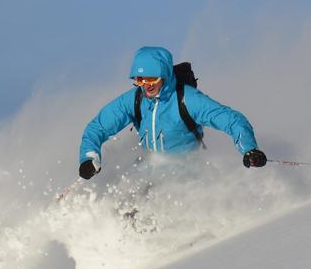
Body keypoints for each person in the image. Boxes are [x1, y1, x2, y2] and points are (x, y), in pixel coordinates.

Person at [78, 46, 267, 179]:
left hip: (186, 176)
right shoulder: (135, 99)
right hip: (147, 175)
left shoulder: (187, 99)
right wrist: (89, 159)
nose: (146, 86)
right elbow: (98, 128)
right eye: (140, 79)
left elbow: (232, 120)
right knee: (124, 215)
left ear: (165, 76)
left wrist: (249, 149)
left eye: (151, 79)